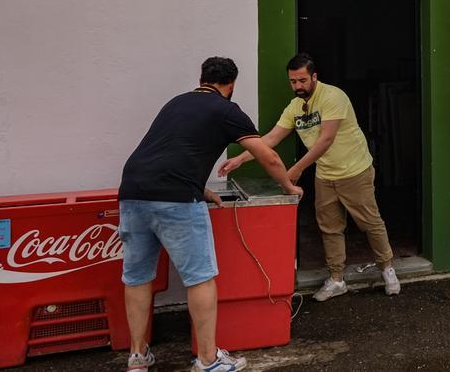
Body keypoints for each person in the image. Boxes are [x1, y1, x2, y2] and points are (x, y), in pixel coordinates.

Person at [118, 57, 303, 372]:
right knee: (200, 278)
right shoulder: (226, 110)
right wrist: (288, 186)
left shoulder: (175, 103)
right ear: (230, 85)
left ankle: (137, 356)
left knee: (137, 277)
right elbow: (268, 156)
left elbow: (168, 151)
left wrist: (201, 189)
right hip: (176, 199)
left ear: (202, 79)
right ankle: (207, 360)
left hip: (132, 191)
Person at [219, 53, 400, 301]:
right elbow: (271, 139)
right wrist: (239, 159)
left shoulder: (333, 96)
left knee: (370, 222)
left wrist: (297, 168)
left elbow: (325, 140)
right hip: (325, 174)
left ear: (314, 76)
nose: (298, 86)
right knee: (330, 227)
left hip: (354, 170)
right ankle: (337, 280)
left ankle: (387, 269)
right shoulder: (294, 107)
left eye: (302, 80)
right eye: (293, 81)